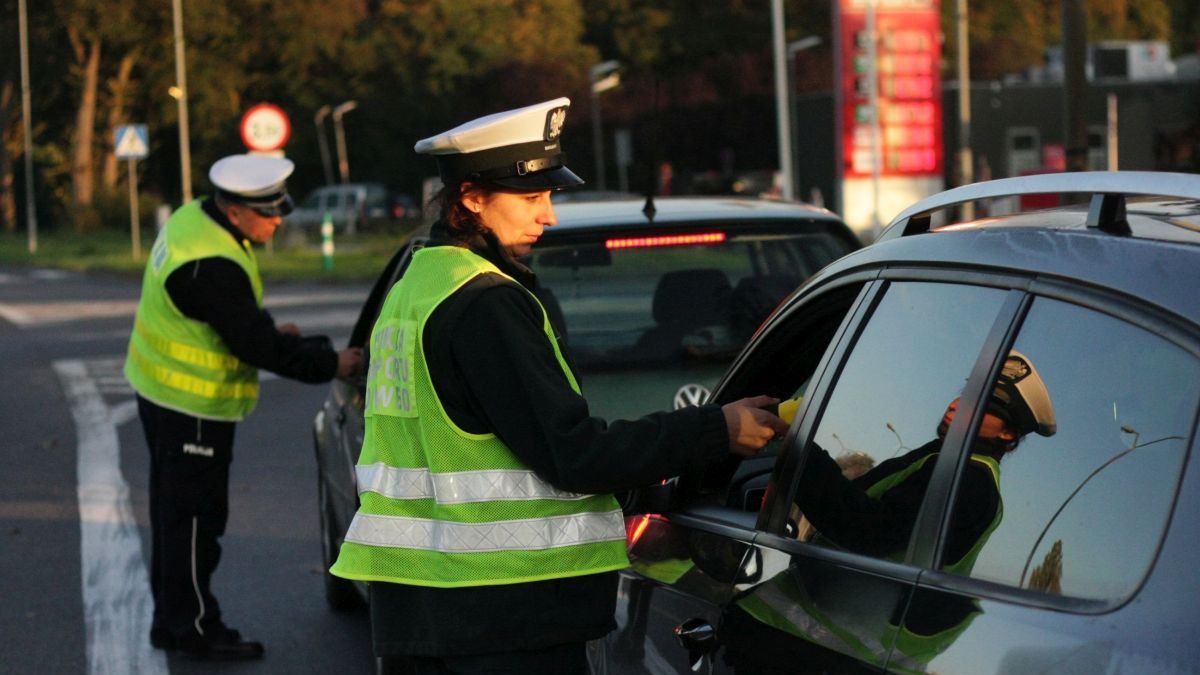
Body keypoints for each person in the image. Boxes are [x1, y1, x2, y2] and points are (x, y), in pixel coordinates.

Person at [328, 98, 788, 674]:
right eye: (530, 197)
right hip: (506, 616)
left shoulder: (415, 287)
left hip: (424, 608)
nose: (549, 216)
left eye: (548, 196)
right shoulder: (486, 303)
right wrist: (713, 428)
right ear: (470, 198)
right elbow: (573, 452)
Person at [123, 154, 363, 660]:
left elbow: (237, 322)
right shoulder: (210, 264)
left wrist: (265, 331)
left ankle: (171, 622)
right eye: (270, 213)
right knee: (194, 523)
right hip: (191, 404)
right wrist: (331, 362)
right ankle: (194, 630)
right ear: (234, 213)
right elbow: (255, 345)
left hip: (161, 391)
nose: (279, 220)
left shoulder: (196, 219)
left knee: (174, 517)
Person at [793, 350, 1056, 571]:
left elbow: (868, 530)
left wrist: (796, 454)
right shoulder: (943, 460)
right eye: (966, 392)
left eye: (981, 403)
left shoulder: (969, 481)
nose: (956, 404)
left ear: (1007, 432)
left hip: (841, 623)